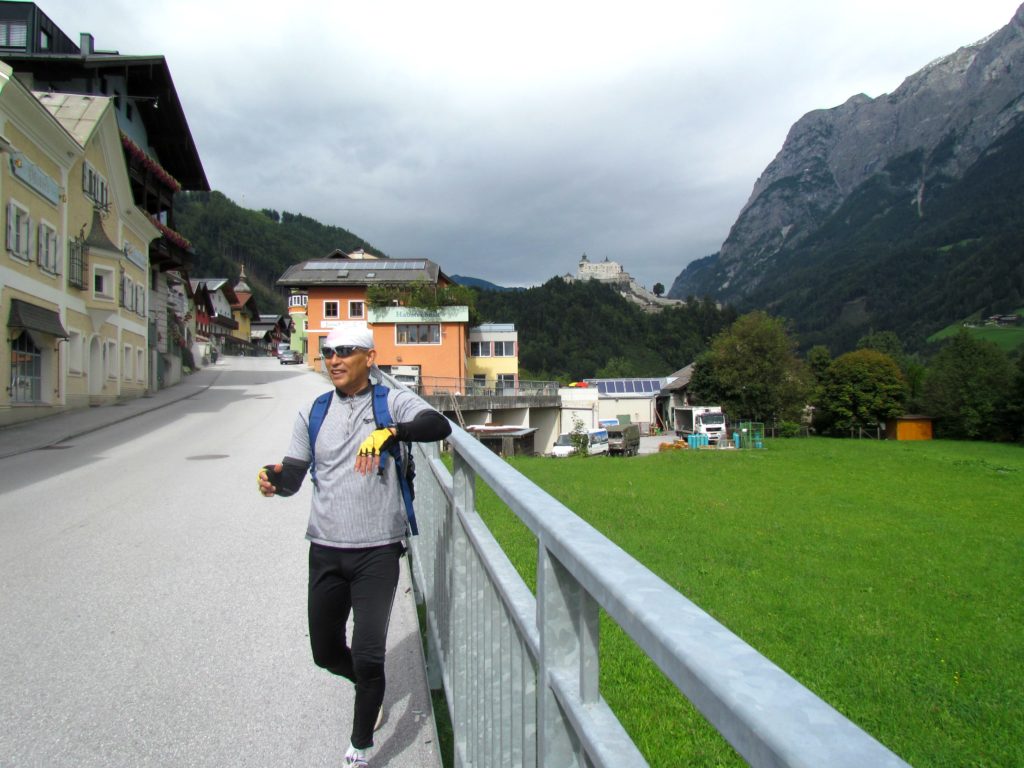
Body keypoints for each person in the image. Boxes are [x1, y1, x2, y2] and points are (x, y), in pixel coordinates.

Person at [257, 325, 451, 767]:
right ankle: (366, 687)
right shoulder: (313, 411)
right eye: (328, 353)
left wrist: (392, 433)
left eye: (345, 351)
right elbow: (293, 476)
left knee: (366, 652)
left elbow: (437, 424)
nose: (334, 360)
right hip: (324, 549)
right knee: (325, 651)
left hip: (378, 550)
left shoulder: (389, 400)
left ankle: (360, 747)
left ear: (369, 357)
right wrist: (273, 479)